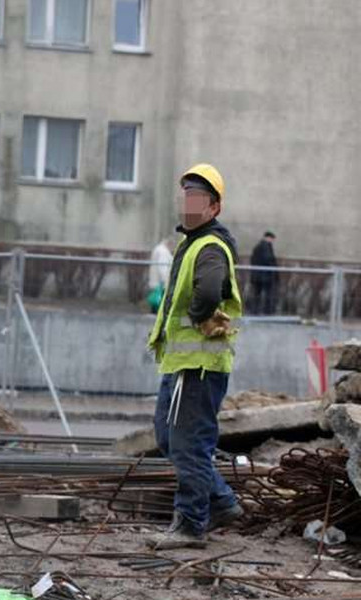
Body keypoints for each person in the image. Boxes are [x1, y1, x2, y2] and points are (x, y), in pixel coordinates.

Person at [145, 163, 244, 551]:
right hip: (183, 364)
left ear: (213, 207)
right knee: (168, 435)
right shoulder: (192, 243)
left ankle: (190, 525)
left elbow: (207, 294)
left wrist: (201, 316)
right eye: (185, 195)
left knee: (188, 443)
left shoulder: (209, 247)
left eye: (196, 197)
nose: (188, 203)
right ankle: (220, 501)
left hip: (198, 366)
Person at [249, 231, 279, 315]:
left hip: (257, 275)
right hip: (265, 276)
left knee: (257, 294)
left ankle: (255, 311)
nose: (272, 241)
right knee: (267, 294)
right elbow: (268, 259)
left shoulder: (258, 246)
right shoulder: (266, 246)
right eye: (272, 239)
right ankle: (267, 312)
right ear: (268, 238)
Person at [148, 238, 174, 314]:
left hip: (156, 281)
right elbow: (163, 267)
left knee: (156, 301)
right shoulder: (163, 252)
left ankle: (154, 313)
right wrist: (165, 280)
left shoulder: (159, 249)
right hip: (160, 282)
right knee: (159, 302)